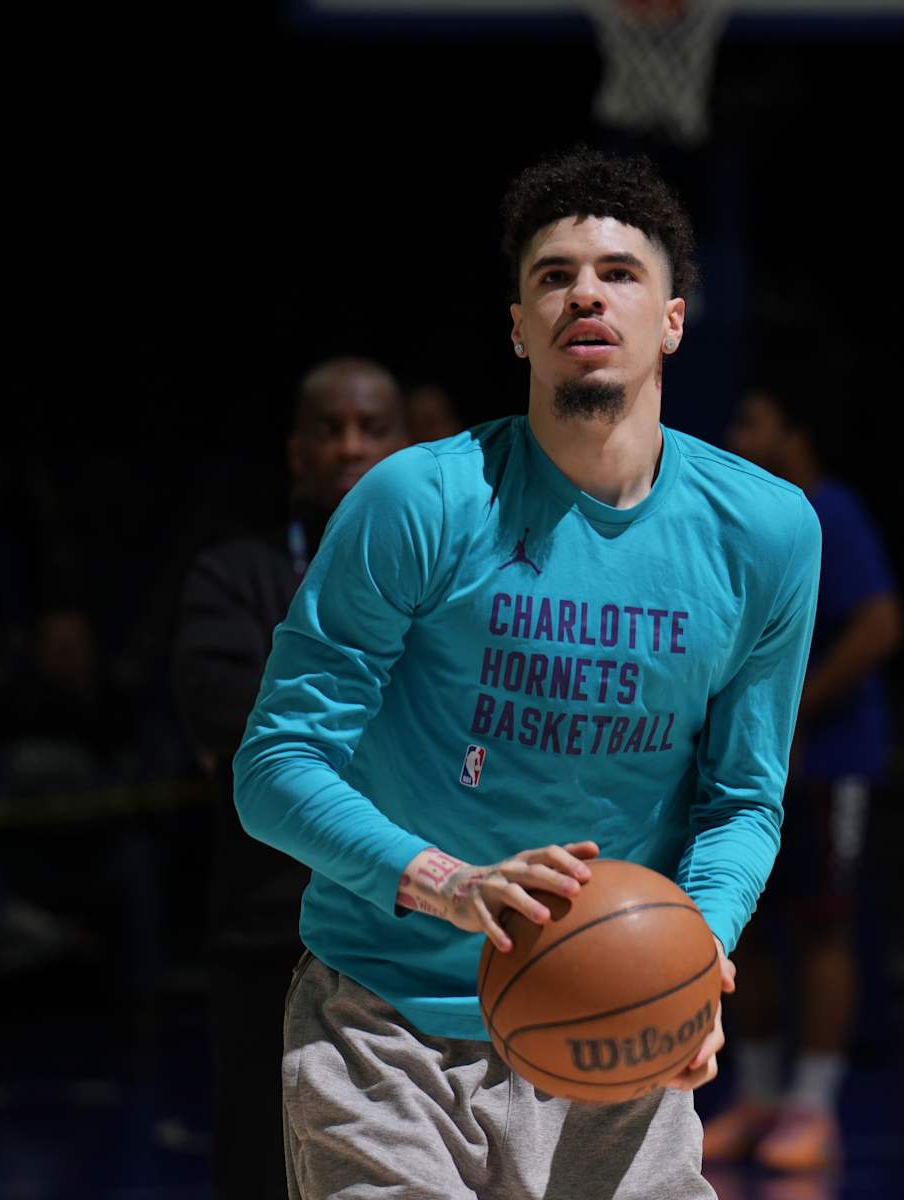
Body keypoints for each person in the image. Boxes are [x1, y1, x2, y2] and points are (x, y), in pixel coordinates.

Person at [233, 148, 821, 1200]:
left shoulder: (767, 533)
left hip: (616, 1034)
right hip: (391, 1024)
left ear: (674, 320)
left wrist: (693, 958)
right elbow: (275, 765)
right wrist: (448, 885)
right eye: (553, 276)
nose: (584, 291)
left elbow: (743, 798)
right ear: (517, 328)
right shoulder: (417, 501)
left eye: (619, 272)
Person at [171, 356, 409, 1200]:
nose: (350, 447)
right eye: (329, 429)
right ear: (295, 451)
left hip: (415, 936)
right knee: (263, 1169)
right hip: (270, 930)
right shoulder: (231, 576)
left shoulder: (460, 580)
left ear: (406, 445)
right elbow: (248, 736)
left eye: (372, 429)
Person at [705, 382, 904, 1172]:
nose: (734, 434)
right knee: (740, 924)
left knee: (823, 928)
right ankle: (755, 1095)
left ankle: (815, 1107)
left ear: (797, 434)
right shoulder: (741, 518)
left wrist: (793, 712)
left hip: (827, 764)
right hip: (745, 766)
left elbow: (881, 625)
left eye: (751, 420)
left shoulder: (830, 511)